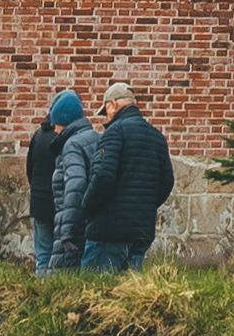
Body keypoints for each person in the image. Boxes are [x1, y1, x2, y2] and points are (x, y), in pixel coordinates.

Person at [51, 84, 173, 276]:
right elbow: (167, 181)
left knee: (95, 294)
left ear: (112, 105)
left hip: (108, 232)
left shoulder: (114, 133)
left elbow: (102, 177)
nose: (105, 118)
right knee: (128, 295)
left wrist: (87, 208)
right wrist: (145, 205)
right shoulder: (156, 137)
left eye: (105, 111)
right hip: (141, 231)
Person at [25, 88, 86, 270]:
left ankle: (40, 289)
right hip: (62, 206)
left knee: (43, 255)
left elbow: (30, 169)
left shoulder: (38, 136)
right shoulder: (70, 139)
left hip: (40, 203)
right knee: (62, 258)